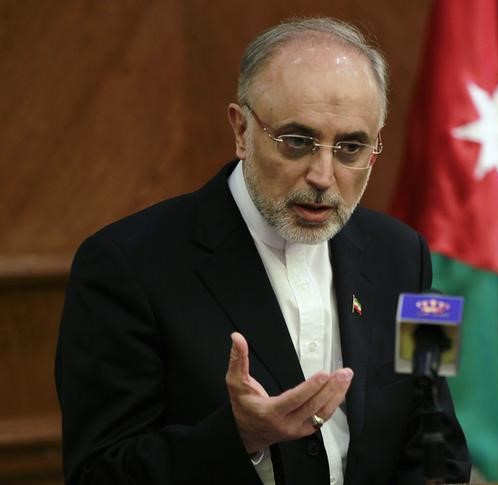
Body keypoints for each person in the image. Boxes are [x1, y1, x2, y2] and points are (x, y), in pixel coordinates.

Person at [55, 17, 470, 484]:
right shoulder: (126, 265)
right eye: (297, 142)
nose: (322, 175)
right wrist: (238, 437)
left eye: (351, 148)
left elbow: (435, 443)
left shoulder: (402, 255)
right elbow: (98, 474)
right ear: (242, 130)